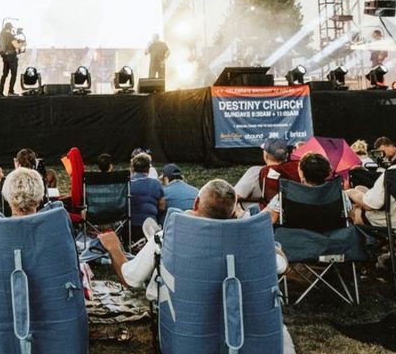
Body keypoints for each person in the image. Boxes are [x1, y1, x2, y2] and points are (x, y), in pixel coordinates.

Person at [98, 179, 295, 354]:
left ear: (196, 203)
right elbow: (282, 265)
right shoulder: (252, 242)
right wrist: (265, 239)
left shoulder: (169, 236)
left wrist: (114, 248)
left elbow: (131, 279)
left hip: (187, 337)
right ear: (233, 211)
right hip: (245, 335)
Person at [266, 153, 346, 224]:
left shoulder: (286, 195)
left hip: (294, 235)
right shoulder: (339, 194)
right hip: (331, 235)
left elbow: (265, 220)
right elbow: (350, 217)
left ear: (301, 174)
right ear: (328, 173)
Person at [234, 138, 288, 209]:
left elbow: (235, 195)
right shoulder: (295, 171)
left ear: (265, 156)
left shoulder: (255, 172)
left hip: (259, 213)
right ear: (286, 156)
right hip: (287, 212)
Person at [0, 149, 48, 216]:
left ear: (17, 162)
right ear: (35, 162)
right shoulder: (40, 180)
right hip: (36, 218)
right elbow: (44, 202)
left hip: (9, 219)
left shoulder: (6, 180)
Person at [128, 152, 165, 235]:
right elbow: (162, 207)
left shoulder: (127, 184)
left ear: (132, 169)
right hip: (150, 228)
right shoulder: (156, 183)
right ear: (148, 169)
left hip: (129, 227)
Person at [0, 21, 21, 96]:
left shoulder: (2, 35)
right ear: (10, 28)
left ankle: (0, 92)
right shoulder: (10, 36)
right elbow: (16, 46)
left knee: (4, 74)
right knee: (14, 74)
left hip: (5, 56)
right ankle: (11, 91)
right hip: (11, 56)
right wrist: (22, 43)